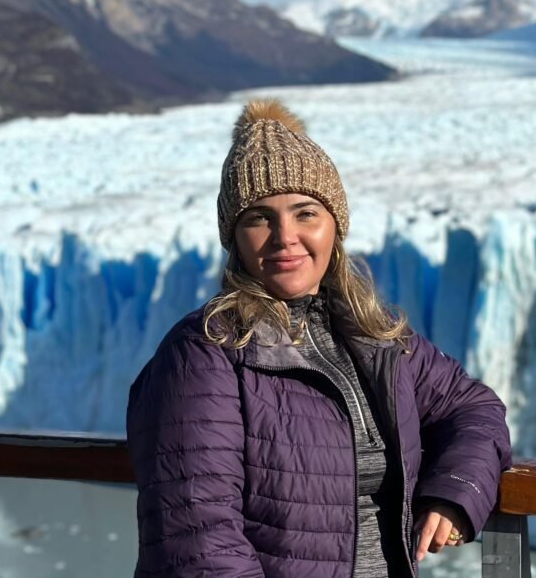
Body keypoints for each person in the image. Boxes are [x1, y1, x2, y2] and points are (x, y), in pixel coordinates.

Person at [127, 99, 511, 578]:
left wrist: (456, 491)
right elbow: (201, 540)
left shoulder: (374, 337)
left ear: (335, 225)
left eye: (305, 213)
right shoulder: (206, 353)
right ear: (235, 237)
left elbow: (474, 408)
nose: (284, 236)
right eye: (258, 218)